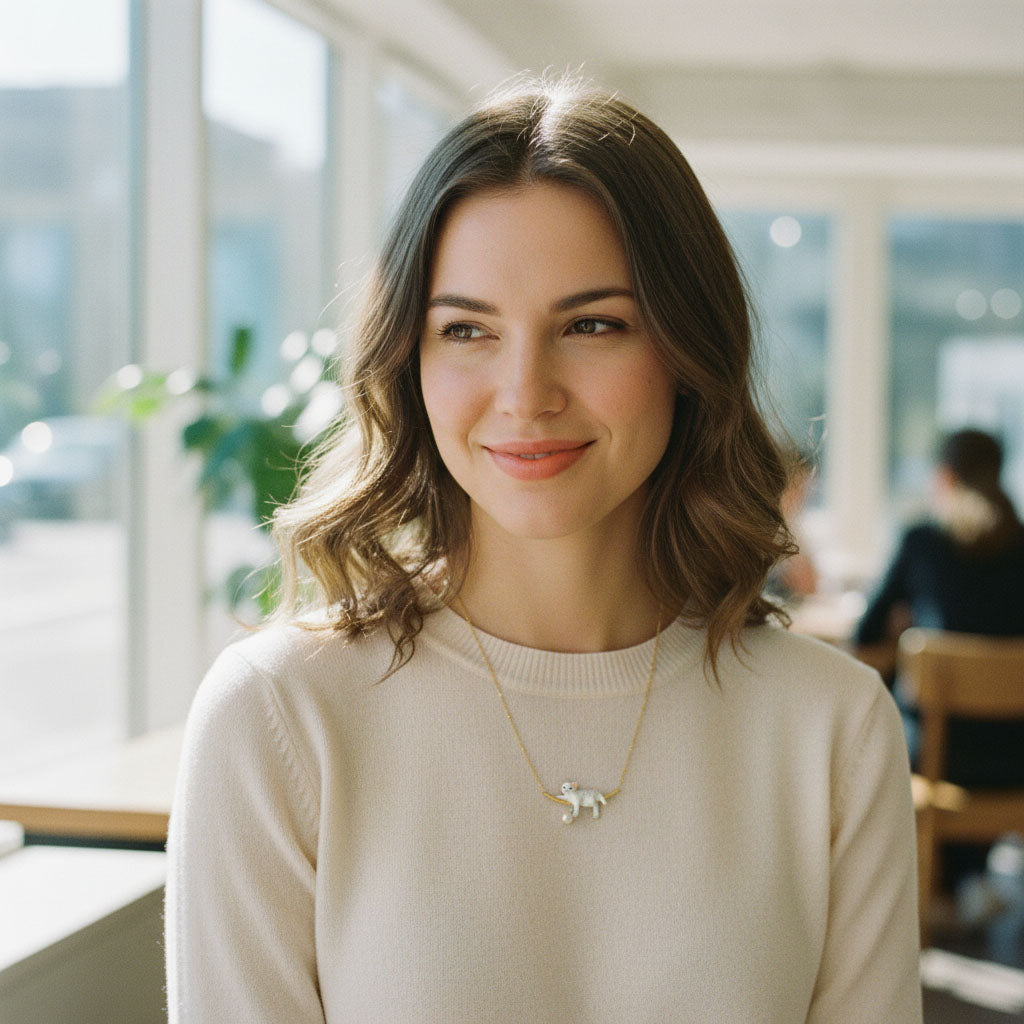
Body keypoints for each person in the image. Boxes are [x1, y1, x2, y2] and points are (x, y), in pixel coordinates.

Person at [166, 77, 921, 1022]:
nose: (525, 393)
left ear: (687, 352)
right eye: (467, 329)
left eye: (592, 325)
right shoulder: (279, 717)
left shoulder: (833, 728)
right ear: (410, 360)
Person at [855, 427, 1024, 786]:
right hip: (1016, 764)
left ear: (944, 477)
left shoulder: (922, 543)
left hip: (937, 762)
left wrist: (902, 628)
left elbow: (864, 635)